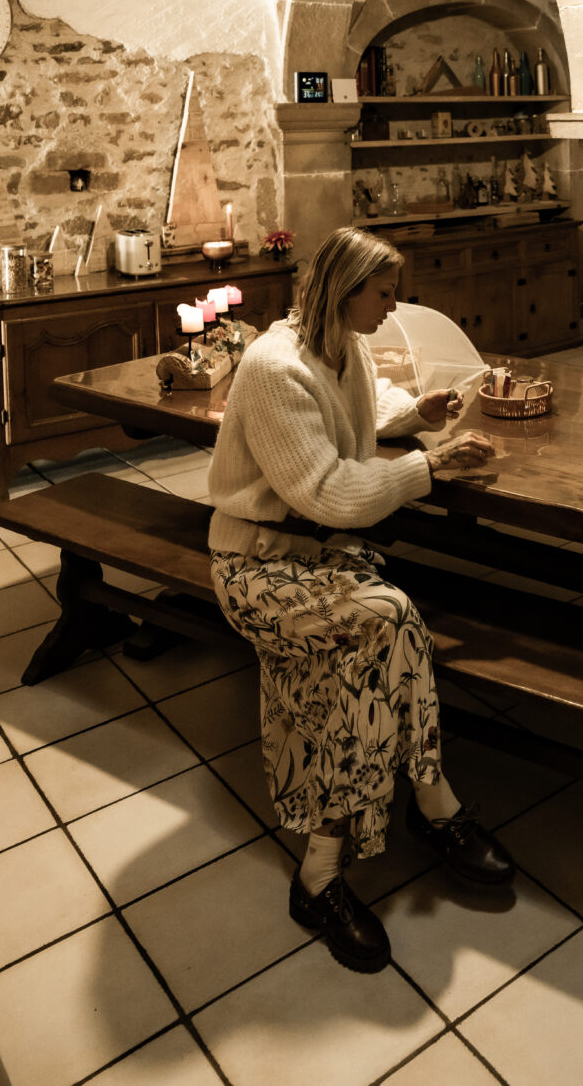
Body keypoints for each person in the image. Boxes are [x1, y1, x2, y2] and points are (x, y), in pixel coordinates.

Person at [207, 226, 513, 974]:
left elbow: (358, 415)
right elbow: (327, 490)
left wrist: (417, 415)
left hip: (314, 557)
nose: (393, 306)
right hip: (255, 565)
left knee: (375, 644)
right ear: (345, 291)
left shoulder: (342, 346)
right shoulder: (273, 366)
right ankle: (425, 808)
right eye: (385, 292)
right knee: (388, 623)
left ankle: (330, 866)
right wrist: (429, 468)